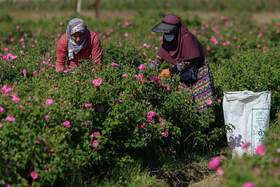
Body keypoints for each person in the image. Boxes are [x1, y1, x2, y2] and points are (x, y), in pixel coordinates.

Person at [150, 14, 216, 113]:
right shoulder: (168, 41)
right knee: (184, 103)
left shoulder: (187, 39)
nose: (167, 35)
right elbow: (159, 58)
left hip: (200, 72)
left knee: (205, 104)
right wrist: (147, 72)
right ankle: (190, 126)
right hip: (185, 75)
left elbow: (190, 60)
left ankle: (208, 128)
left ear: (176, 30)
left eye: (169, 32)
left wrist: (170, 70)